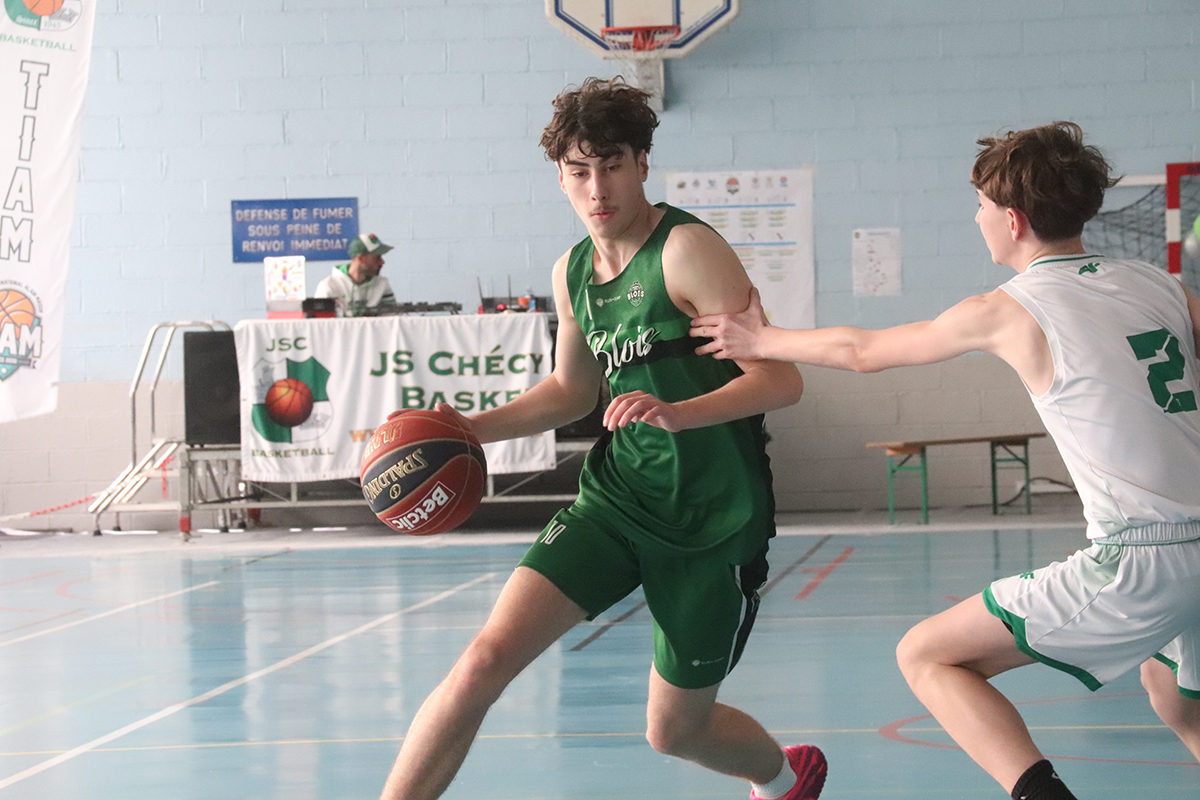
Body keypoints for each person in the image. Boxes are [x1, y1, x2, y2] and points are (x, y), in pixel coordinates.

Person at [691, 121, 1200, 799]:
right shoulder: (1159, 283)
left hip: (1141, 559)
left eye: (981, 206)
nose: (976, 218)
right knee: (1173, 692)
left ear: (1013, 220)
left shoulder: (1009, 308)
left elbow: (864, 352)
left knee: (928, 655)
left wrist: (764, 338)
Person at [378, 77, 824, 800]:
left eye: (612, 165)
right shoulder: (573, 272)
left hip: (713, 518)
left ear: (642, 163)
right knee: (483, 661)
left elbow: (781, 380)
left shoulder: (686, 251)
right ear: (560, 177)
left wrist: (679, 411)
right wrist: (466, 431)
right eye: (579, 171)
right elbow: (572, 391)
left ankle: (784, 778)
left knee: (675, 732)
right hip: (616, 502)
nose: (597, 188)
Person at [314, 232, 396, 316]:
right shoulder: (329, 286)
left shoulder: (382, 284)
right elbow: (322, 321)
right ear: (360, 259)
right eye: (377, 258)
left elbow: (391, 318)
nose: (382, 262)